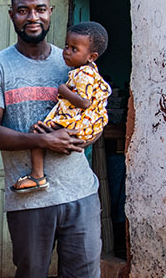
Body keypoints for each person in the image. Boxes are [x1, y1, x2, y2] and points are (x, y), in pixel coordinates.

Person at [0, 0, 108, 278]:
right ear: (12, 15)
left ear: (50, 12)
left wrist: (89, 134)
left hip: (80, 194)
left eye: (39, 8)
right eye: (23, 10)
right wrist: (42, 139)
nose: (31, 17)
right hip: (29, 199)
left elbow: (95, 113)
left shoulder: (74, 60)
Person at [11, 21, 111, 193]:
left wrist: (63, 89)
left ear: (91, 56)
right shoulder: (89, 71)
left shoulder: (84, 74)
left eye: (74, 49)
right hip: (85, 124)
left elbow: (84, 102)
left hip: (76, 123)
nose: (67, 52)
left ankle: (37, 176)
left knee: (36, 133)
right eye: (67, 46)